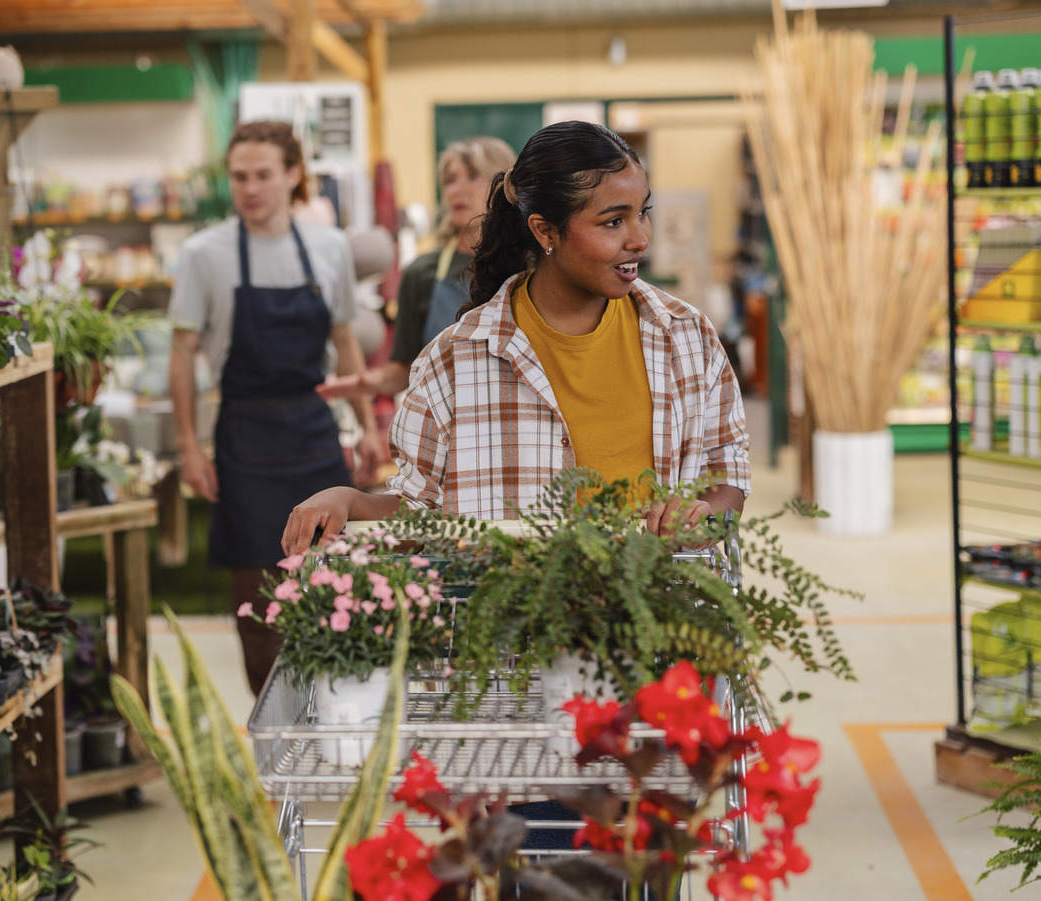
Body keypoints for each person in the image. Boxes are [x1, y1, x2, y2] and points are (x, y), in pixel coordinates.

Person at [282, 119, 750, 554]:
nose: (640, 238)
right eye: (613, 221)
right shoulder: (455, 361)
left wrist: (703, 514)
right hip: (509, 617)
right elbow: (421, 513)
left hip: (659, 609)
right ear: (545, 230)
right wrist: (348, 500)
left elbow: (726, 471)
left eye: (642, 213)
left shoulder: (685, 337)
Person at [168, 120, 383, 695]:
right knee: (259, 612)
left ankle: (335, 724)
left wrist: (366, 426)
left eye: (263, 174)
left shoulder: (329, 248)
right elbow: (182, 355)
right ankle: (272, 736)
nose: (250, 188)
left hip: (314, 436)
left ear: (293, 175)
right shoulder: (203, 253)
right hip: (244, 441)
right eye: (239, 177)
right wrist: (189, 447)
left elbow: (345, 345)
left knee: (333, 597)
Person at [317, 136, 516, 400]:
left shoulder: (529, 266)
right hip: (448, 420)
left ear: (504, 185)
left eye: (472, 176)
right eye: (450, 180)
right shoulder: (422, 272)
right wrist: (371, 380)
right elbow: (405, 368)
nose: (457, 190)